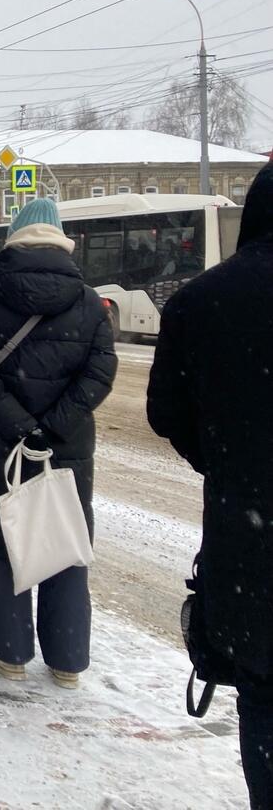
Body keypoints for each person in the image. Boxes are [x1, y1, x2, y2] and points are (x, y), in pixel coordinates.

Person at [147, 164, 273, 806]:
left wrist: (229, 465)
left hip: (251, 552)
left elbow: (165, 414)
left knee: (264, 702)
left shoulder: (201, 301)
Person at [0, 198, 116, 687]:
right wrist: (53, 425)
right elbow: (100, 372)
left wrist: (19, 424)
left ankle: (10, 653)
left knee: (5, 539)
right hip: (65, 446)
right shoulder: (88, 300)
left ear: (14, 238)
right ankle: (67, 660)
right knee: (63, 540)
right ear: (62, 238)